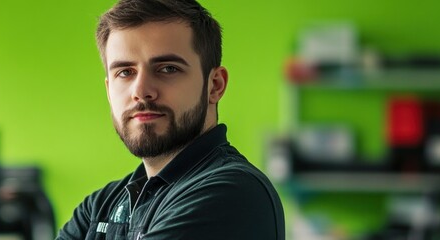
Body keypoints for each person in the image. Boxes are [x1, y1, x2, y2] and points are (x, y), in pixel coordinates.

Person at [57, 0, 285, 239]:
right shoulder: (100, 208)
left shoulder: (234, 193)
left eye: (168, 69)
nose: (141, 90)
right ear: (108, 89)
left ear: (215, 85)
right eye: (125, 72)